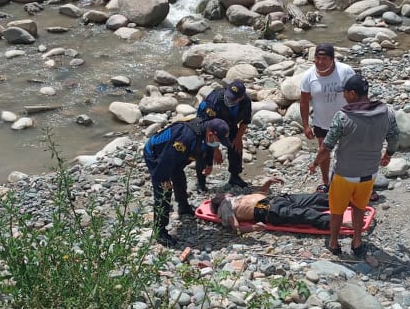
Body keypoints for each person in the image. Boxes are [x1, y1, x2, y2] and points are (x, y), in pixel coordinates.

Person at [309, 74, 398, 258]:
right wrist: (388, 155)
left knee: (337, 211)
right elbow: (395, 138)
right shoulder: (387, 113)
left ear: (352, 93)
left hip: (344, 175)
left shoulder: (342, 116)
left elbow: (326, 147)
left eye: (345, 93)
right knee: (359, 208)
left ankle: (334, 243)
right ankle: (357, 242)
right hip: (369, 174)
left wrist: (315, 163)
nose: (343, 96)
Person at [143, 117, 231, 247]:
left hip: (176, 157)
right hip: (155, 154)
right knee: (163, 191)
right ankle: (159, 231)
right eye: (219, 140)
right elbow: (167, 159)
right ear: (211, 133)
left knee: (180, 180)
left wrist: (208, 164)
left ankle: (183, 207)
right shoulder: (185, 138)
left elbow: (208, 147)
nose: (218, 144)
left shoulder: (207, 132)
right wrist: (164, 179)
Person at [300, 44, 355, 192]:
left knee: (349, 152)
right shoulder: (308, 76)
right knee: (323, 152)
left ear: (332, 59)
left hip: (346, 121)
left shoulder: (346, 71)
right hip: (322, 122)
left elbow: (357, 94)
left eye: (324, 58)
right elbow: (304, 102)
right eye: (317, 58)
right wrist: (306, 125)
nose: (320, 62)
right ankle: (325, 182)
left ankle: (354, 182)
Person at [210, 178, 334, 232]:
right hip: (270, 211)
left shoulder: (238, 198)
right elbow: (236, 228)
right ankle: (337, 222)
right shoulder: (225, 207)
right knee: (306, 214)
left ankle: (343, 200)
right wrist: (254, 228)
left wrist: (268, 182)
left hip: (278, 200)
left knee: (317, 197)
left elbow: (259, 193)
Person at [196, 79, 253, 190]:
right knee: (204, 150)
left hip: (229, 124)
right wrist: (215, 149)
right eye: (228, 96)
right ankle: (201, 182)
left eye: (233, 99)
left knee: (236, 146)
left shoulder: (246, 102)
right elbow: (208, 127)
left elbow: (245, 121)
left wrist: (238, 138)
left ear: (241, 97)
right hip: (207, 125)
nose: (229, 100)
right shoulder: (214, 101)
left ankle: (235, 176)